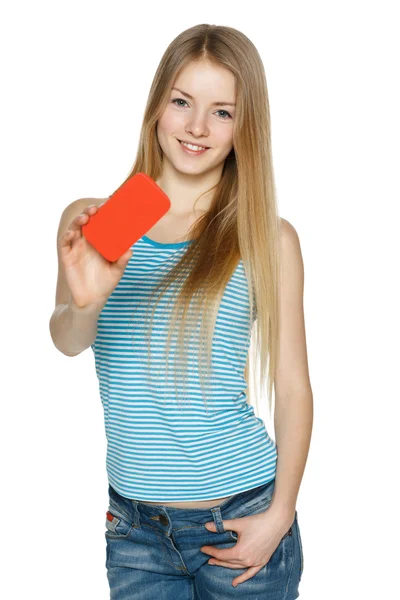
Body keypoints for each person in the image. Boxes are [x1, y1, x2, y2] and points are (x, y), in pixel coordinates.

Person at [50, 23, 313, 600]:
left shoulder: (265, 237)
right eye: (182, 102)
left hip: (241, 518)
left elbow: (293, 388)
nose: (197, 127)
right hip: (135, 532)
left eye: (223, 112)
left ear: (247, 127)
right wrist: (86, 302)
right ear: (157, 108)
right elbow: (68, 340)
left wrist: (280, 514)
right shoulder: (101, 220)